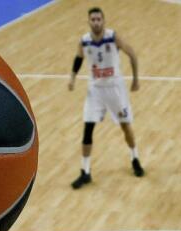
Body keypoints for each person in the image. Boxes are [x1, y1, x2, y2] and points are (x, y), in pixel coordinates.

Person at [67, 6, 142, 189]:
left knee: (125, 126)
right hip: (96, 90)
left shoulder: (113, 37)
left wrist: (135, 79)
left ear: (103, 21)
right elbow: (78, 60)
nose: (96, 22)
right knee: (87, 129)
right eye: (93, 19)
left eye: (99, 19)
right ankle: (85, 172)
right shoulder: (84, 41)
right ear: (89, 22)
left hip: (115, 88)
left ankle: (135, 158)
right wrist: (72, 77)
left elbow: (132, 54)